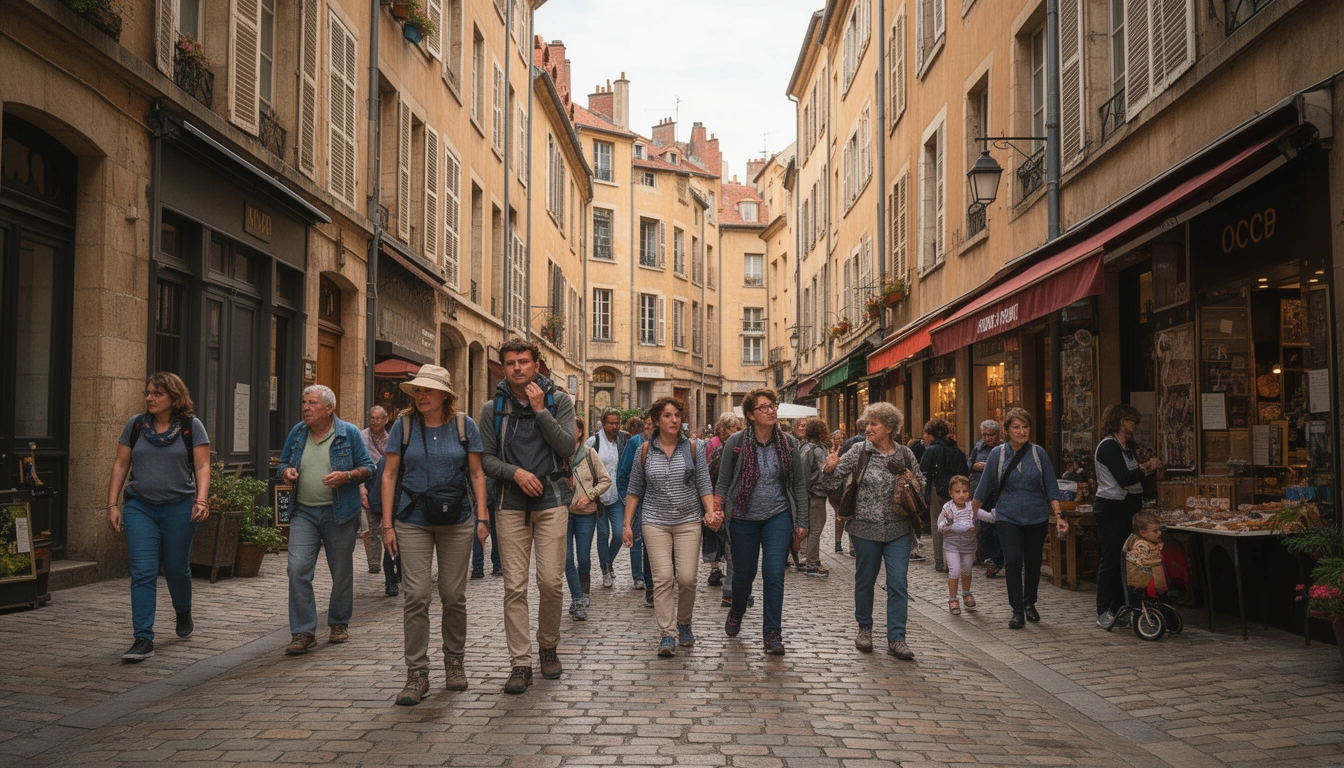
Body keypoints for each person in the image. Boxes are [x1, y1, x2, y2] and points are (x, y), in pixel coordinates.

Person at [380, 365, 489, 705]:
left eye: (427, 390)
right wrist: (386, 525)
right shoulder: (404, 426)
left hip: (457, 520)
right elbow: (389, 475)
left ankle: (454, 663)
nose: (421, 395)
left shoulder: (464, 425)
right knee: (416, 596)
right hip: (412, 519)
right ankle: (417, 674)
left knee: (453, 595)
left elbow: (476, 473)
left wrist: (482, 517)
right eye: (417, 390)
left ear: (444, 395)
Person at [478, 338, 577, 694]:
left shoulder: (558, 401)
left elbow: (567, 447)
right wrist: (514, 473)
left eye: (523, 361)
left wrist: (540, 411)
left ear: (536, 365)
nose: (517, 368)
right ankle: (520, 663)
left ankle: (548, 646)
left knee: (550, 582)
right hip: (510, 503)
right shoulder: (493, 408)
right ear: (503, 368)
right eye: (510, 363)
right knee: (514, 587)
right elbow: (486, 459)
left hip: (551, 501)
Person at [106, 373, 211, 663]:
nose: (150, 398)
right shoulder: (136, 425)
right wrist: (112, 504)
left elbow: (202, 467)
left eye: (157, 393)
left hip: (180, 507)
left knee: (176, 570)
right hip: (140, 507)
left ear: (174, 398)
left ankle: (183, 610)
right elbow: (121, 464)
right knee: (142, 571)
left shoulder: (191, 426)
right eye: (148, 393)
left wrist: (201, 500)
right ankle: (143, 637)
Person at [816, 402, 923, 660]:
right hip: (864, 529)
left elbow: (921, 484)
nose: (868, 428)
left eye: (874, 424)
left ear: (889, 427)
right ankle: (864, 628)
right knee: (865, 581)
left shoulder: (905, 454)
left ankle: (897, 638)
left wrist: (912, 481)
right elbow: (831, 482)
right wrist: (829, 467)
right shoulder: (859, 451)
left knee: (898, 583)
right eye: (867, 423)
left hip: (898, 529)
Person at [278, 385, 376, 654]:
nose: (305, 408)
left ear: (329, 408)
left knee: (341, 571)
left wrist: (347, 476)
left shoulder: (349, 433)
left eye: (312, 403)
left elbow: (369, 468)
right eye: (304, 402)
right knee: (297, 568)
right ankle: (303, 632)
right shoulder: (298, 432)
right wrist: (286, 471)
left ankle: (338, 622)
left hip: (340, 512)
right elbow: (283, 462)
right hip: (304, 511)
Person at [714, 388, 809, 655]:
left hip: (778, 516)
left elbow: (799, 485)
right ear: (750, 415)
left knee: (774, 573)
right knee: (744, 575)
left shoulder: (789, 443)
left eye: (773, 406)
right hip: (742, 517)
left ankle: (772, 633)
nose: (770, 411)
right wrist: (717, 510)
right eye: (763, 407)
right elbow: (723, 482)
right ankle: (737, 609)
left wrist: (802, 520)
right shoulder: (736, 443)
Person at [624, 398, 719, 656]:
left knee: (687, 578)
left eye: (677, 415)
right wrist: (627, 524)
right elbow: (634, 489)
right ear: (656, 420)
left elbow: (703, 483)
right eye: (667, 415)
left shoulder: (694, 447)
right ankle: (667, 633)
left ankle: (684, 622)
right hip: (654, 521)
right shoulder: (644, 451)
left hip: (688, 520)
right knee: (663, 578)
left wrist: (710, 512)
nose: (674, 419)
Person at [971, 408, 1068, 629]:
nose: (1022, 431)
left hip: (1036, 516)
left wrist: (1058, 515)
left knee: (1033, 562)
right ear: (1007, 430)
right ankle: (1016, 610)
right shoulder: (998, 454)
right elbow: (983, 488)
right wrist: (970, 515)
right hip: (1008, 516)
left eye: (1025, 426)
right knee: (1013, 561)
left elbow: (1051, 486)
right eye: (1016, 427)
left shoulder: (1038, 453)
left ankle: (1030, 602)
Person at [1094, 404, 1163, 629]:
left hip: (1129, 505)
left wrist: (1147, 467)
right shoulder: (1109, 446)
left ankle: (1121, 606)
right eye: (1132, 421)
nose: (1135, 425)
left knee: (1126, 558)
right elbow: (1124, 478)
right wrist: (1146, 468)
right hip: (1112, 507)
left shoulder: (1128, 447)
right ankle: (1104, 609)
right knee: (1112, 557)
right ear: (1121, 421)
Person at [567, 418, 612, 621]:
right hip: (563, 513)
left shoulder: (589, 453)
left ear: (579, 432)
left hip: (585, 513)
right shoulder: (558, 454)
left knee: (583, 558)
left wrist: (590, 495)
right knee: (567, 559)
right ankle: (577, 599)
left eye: (571, 428)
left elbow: (605, 480)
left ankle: (584, 591)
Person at [938, 476, 995, 615]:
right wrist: (947, 524)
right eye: (957, 491)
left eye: (965, 491)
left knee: (967, 569)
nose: (961, 495)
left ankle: (966, 593)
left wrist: (997, 513)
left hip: (968, 545)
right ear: (951, 493)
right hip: (952, 545)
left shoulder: (971, 507)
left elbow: (987, 517)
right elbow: (940, 526)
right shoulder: (948, 508)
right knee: (954, 570)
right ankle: (953, 598)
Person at [920, 418, 967, 574]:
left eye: (926, 435)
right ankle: (953, 561)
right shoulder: (956, 449)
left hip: (938, 490)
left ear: (931, 435)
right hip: (957, 491)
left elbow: (923, 470)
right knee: (954, 525)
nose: (925, 438)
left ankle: (940, 561)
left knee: (938, 524)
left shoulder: (932, 450)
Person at [588, 409, 629, 589]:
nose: (614, 426)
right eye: (610, 423)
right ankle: (605, 570)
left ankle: (608, 562)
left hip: (616, 494)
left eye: (617, 423)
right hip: (598, 496)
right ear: (603, 423)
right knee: (603, 534)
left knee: (619, 534)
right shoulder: (594, 442)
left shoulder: (623, 441)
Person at [617, 415, 654, 604]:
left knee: (652, 542)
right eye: (646, 424)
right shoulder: (635, 443)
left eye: (652, 425)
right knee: (637, 538)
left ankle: (655, 579)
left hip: (656, 500)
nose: (649, 428)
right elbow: (623, 471)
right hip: (638, 498)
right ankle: (639, 576)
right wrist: (626, 497)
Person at [703, 412, 740, 598]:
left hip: (731, 498)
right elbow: (708, 472)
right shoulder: (714, 445)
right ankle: (715, 569)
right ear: (724, 428)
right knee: (714, 534)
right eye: (733, 428)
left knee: (728, 536)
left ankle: (730, 576)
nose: (736, 431)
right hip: (715, 496)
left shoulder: (737, 445)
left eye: (737, 428)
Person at [967, 420, 1004, 578]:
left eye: (991, 435)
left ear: (998, 434)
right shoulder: (978, 446)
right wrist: (974, 466)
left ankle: (998, 559)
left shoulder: (1004, 448)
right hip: (982, 492)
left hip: (999, 492)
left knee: (1000, 528)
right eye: (984, 435)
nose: (987, 438)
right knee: (986, 529)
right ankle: (990, 560)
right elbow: (968, 463)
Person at [798, 417, 833, 577]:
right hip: (816, 493)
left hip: (810, 493)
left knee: (812, 528)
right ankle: (812, 563)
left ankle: (811, 560)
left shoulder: (805, 447)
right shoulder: (816, 449)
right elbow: (822, 471)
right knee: (815, 529)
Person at [359, 405, 390, 575]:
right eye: (372, 418)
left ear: (385, 420)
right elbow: (358, 463)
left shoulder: (391, 439)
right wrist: (361, 488)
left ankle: (391, 562)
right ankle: (374, 563)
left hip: (386, 485)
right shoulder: (362, 437)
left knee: (388, 525)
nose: (375, 421)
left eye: (378, 418)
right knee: (372, 528)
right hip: (369, 485)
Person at [1124, 511, 1168, 597]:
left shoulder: (1150, 542)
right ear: (1142, 532)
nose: (1160, 533)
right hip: (1147, 584)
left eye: (1160, 529)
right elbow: (1151, 566)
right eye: (1155, 531)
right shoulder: (1141, 546)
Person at [470, 477, 501, 578]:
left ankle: (479, 567)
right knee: (490, 530)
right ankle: (495, 565)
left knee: (492, 530)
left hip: (488, 491)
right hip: (487, 490)